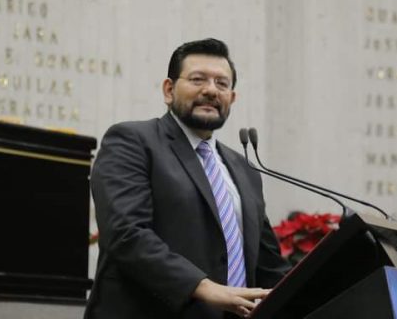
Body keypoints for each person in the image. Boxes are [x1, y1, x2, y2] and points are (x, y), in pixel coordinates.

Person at [85, 38, 290, 319]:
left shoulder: (244, 169)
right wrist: (204, 287)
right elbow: (126, 234)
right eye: (197, 79)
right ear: (169, 90)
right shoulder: (133, 141)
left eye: (222, 83)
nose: (211, 90)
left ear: (232, 98)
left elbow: (268, 264)